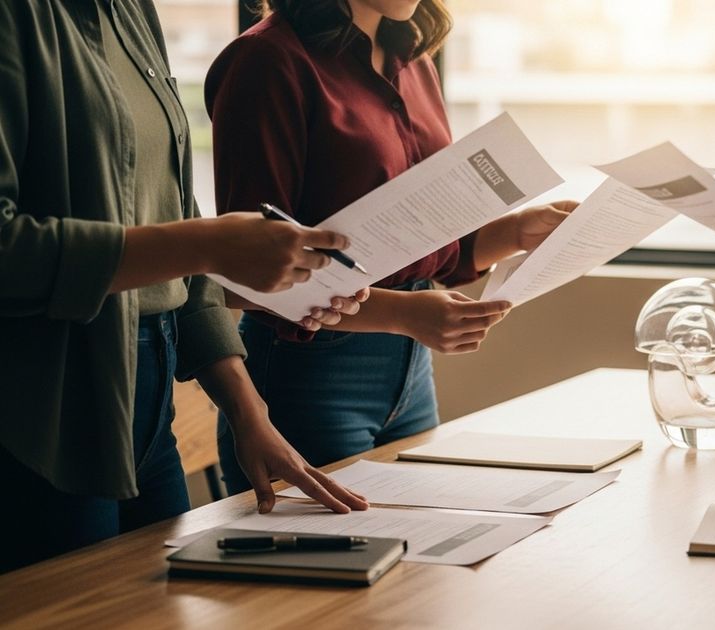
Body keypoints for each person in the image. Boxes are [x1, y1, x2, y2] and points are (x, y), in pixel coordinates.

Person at [0, 0, 370, 573]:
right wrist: (208, 244)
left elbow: (175, 215)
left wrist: (248, 412)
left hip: (151, 398)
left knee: (160, 605)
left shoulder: (130, 12)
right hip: (45, 408)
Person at [205, 0, 576, 495]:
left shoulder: (413, 57)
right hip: (308, 372)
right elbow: (249, 274)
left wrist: (515, 232)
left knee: (417, 564)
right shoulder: (266, 60)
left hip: (411, 372)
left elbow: (422, 246)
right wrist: (403, 313)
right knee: (333, 563)